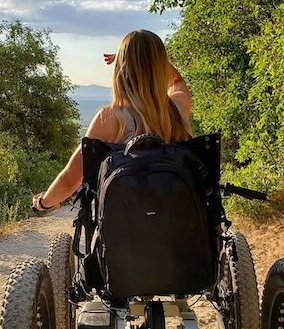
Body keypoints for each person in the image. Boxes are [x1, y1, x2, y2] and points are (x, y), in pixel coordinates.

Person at [32, 29, 193, 212]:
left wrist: (44, 202)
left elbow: (70, 178)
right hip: (179, 227)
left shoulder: (110, 118)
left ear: (121, 70)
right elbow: (177, 81)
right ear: (160, 67)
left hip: (124, 228)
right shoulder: (178, 108)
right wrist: (150, 60)